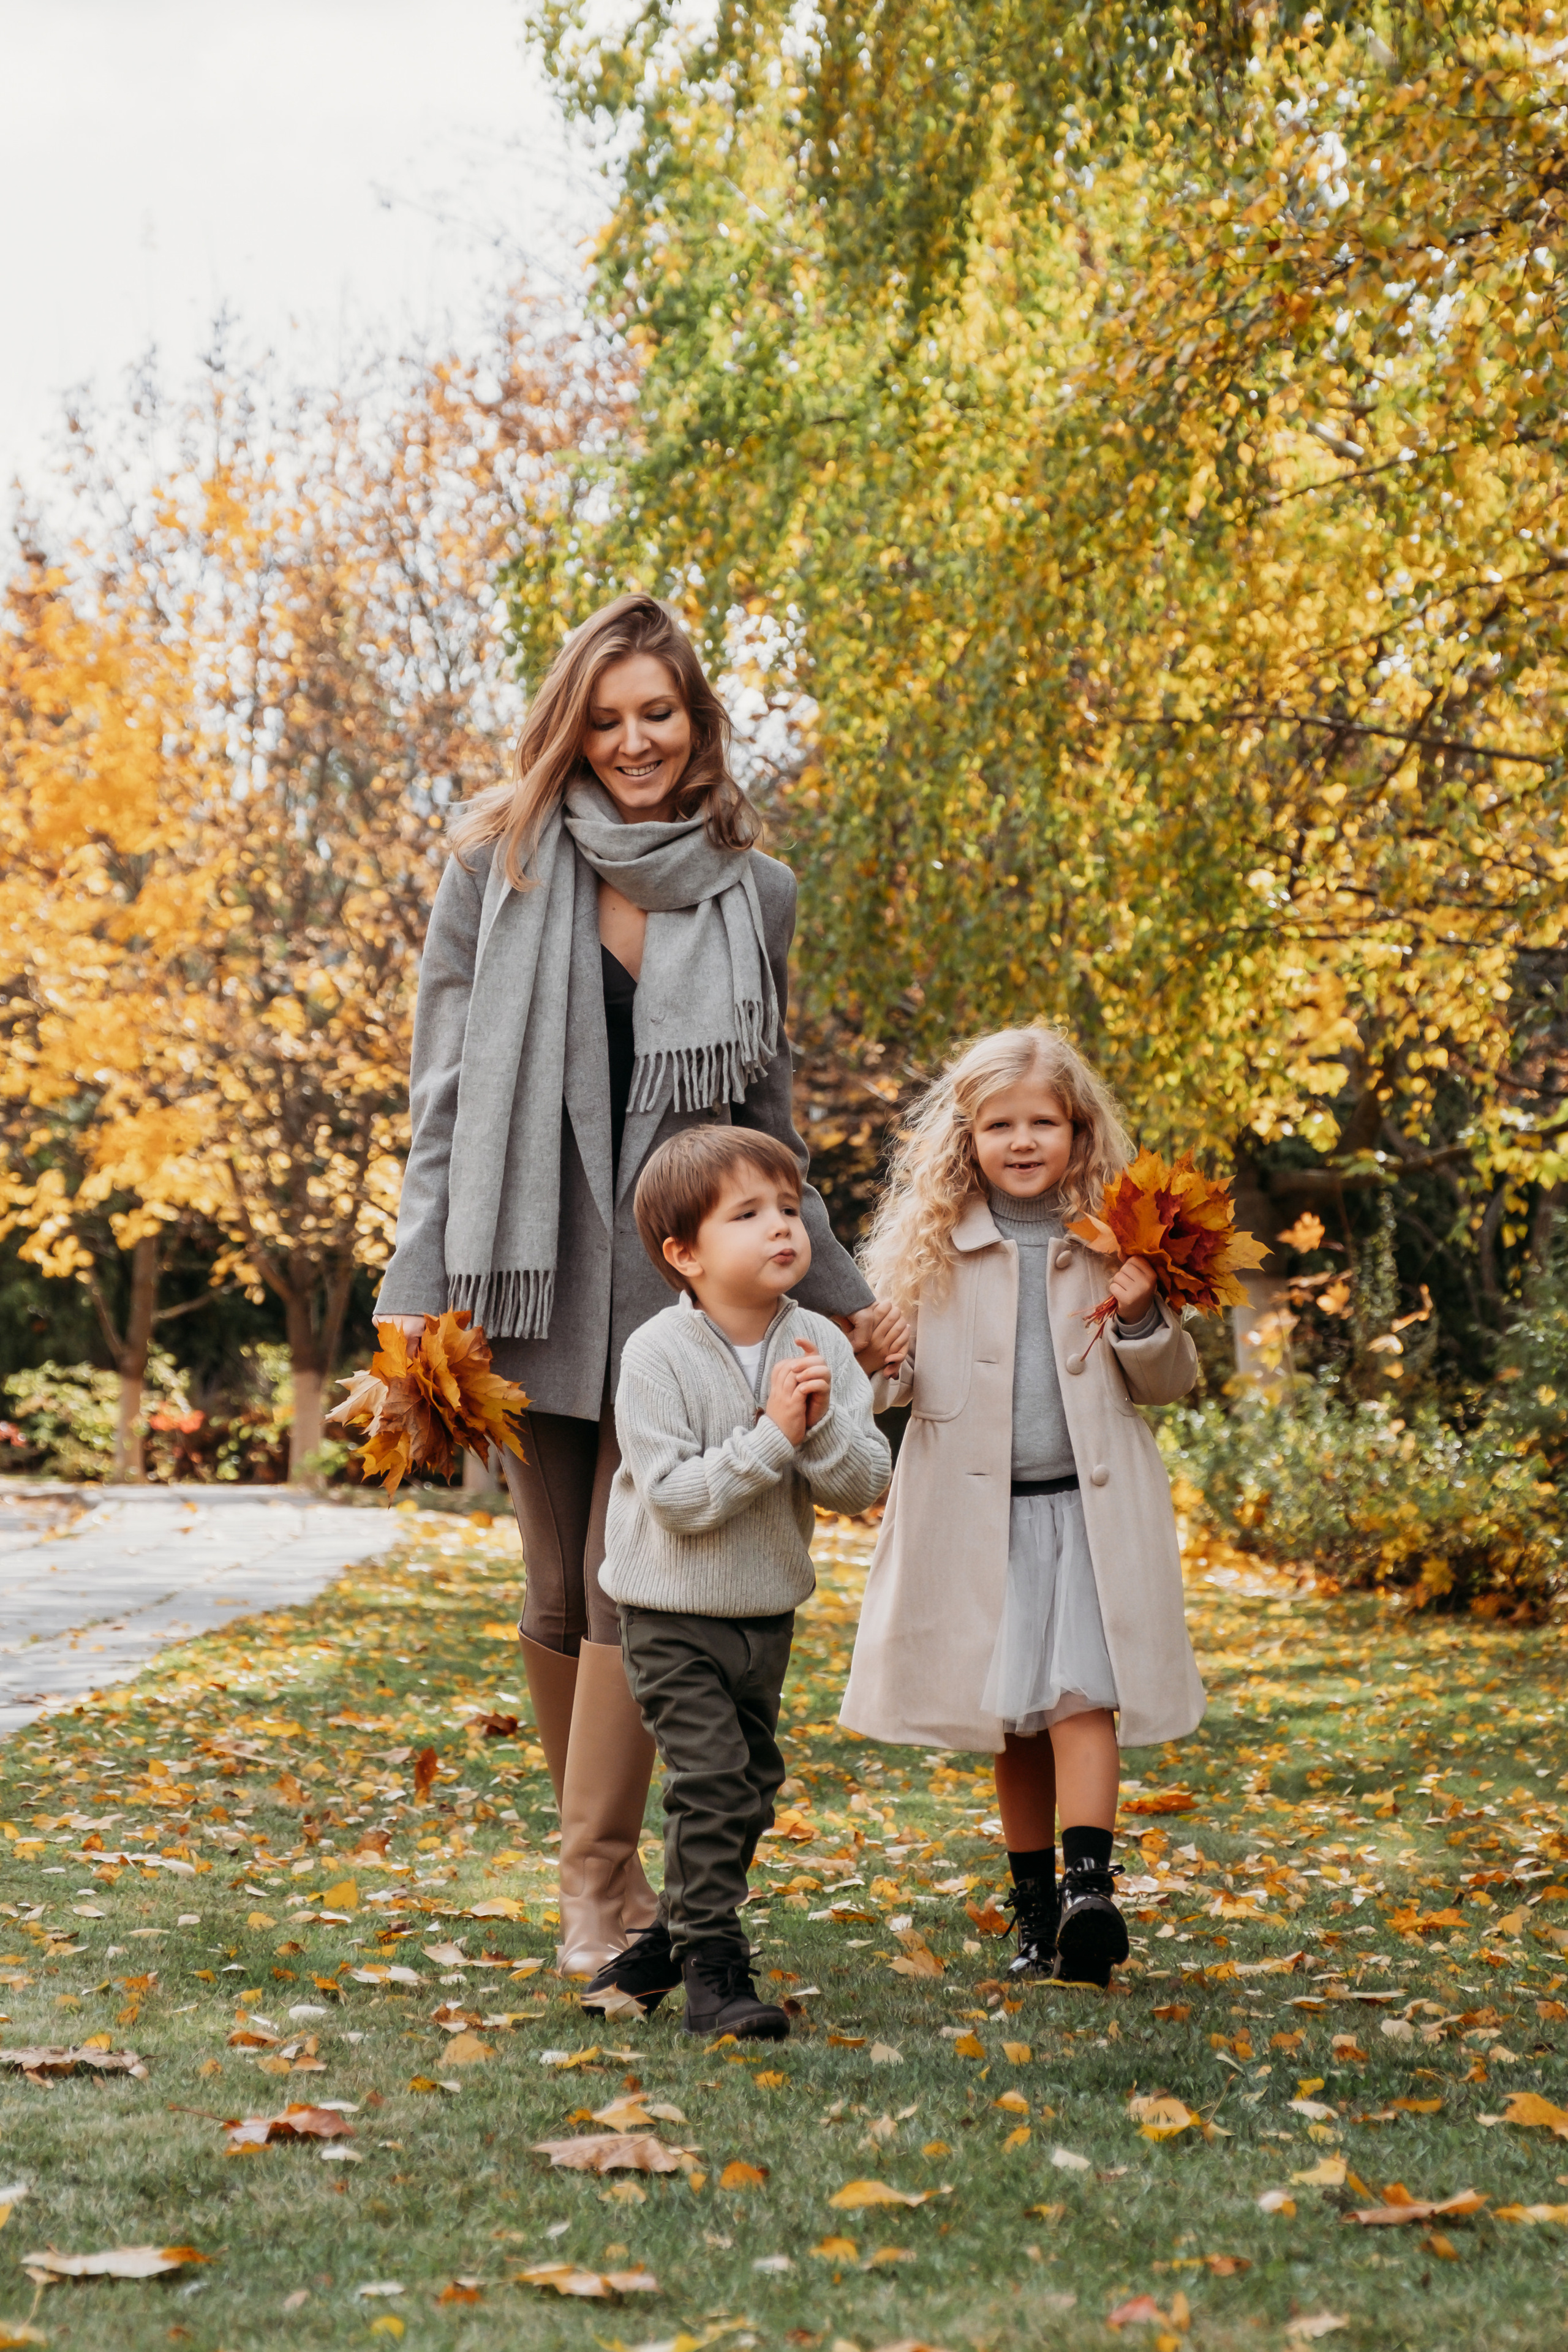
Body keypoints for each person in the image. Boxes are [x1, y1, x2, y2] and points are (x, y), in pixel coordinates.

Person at [374, 592, 887, 1975]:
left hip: (680, 1296)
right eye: (603, 719)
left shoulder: (751, 889)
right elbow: (446, 1089)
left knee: (627, 1581)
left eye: (655, 712)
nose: (632, 740)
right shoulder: (496, 864)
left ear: (696, 718)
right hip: (524, 1266)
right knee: (556, 1587)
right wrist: (413, 1281)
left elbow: (766, 1113)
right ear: (570, 728)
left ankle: (597, 1891)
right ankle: (598, 1888)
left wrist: (835, 1285)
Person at [839, 1027, 1205, 1987]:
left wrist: (1137, 1315)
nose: (1023, 1140)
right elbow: (892, 1386)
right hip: (980, 1523)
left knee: (1085, 1701)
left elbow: (1170, 1380)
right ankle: (1036, 1913)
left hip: (1087, 1517)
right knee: (1014, 1723)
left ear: (1079, 1131)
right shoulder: (936, 1250)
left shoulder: (1116, 1245)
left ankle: (1091, 1894)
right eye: (1000, 1124)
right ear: (966, 1137)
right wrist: (878, 1358)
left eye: (1043, 1120)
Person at [582, 1126, 894, 2037]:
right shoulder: (654, 1356)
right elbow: (678, 1499)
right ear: (685, 1254)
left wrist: (822, 1423)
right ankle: (715, 1975)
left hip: (765, 1611)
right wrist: (772, 1437)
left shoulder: (819, 1346)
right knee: (713, 1779)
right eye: (747, 1214)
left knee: (751, 1785)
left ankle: (656, 1954)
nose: (781, 1230)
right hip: (669, 1610)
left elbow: (862, 1483)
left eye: (789, 1209)